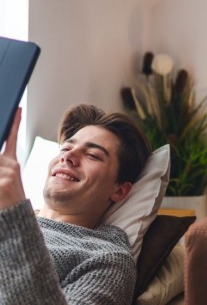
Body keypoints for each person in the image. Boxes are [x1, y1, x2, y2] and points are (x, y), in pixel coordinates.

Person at [0, 104, 151, 305]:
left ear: (119, 190)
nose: (68, 156)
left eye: (92, 155)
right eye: (66, 148)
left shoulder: (106, 259)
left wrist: (16, 219)